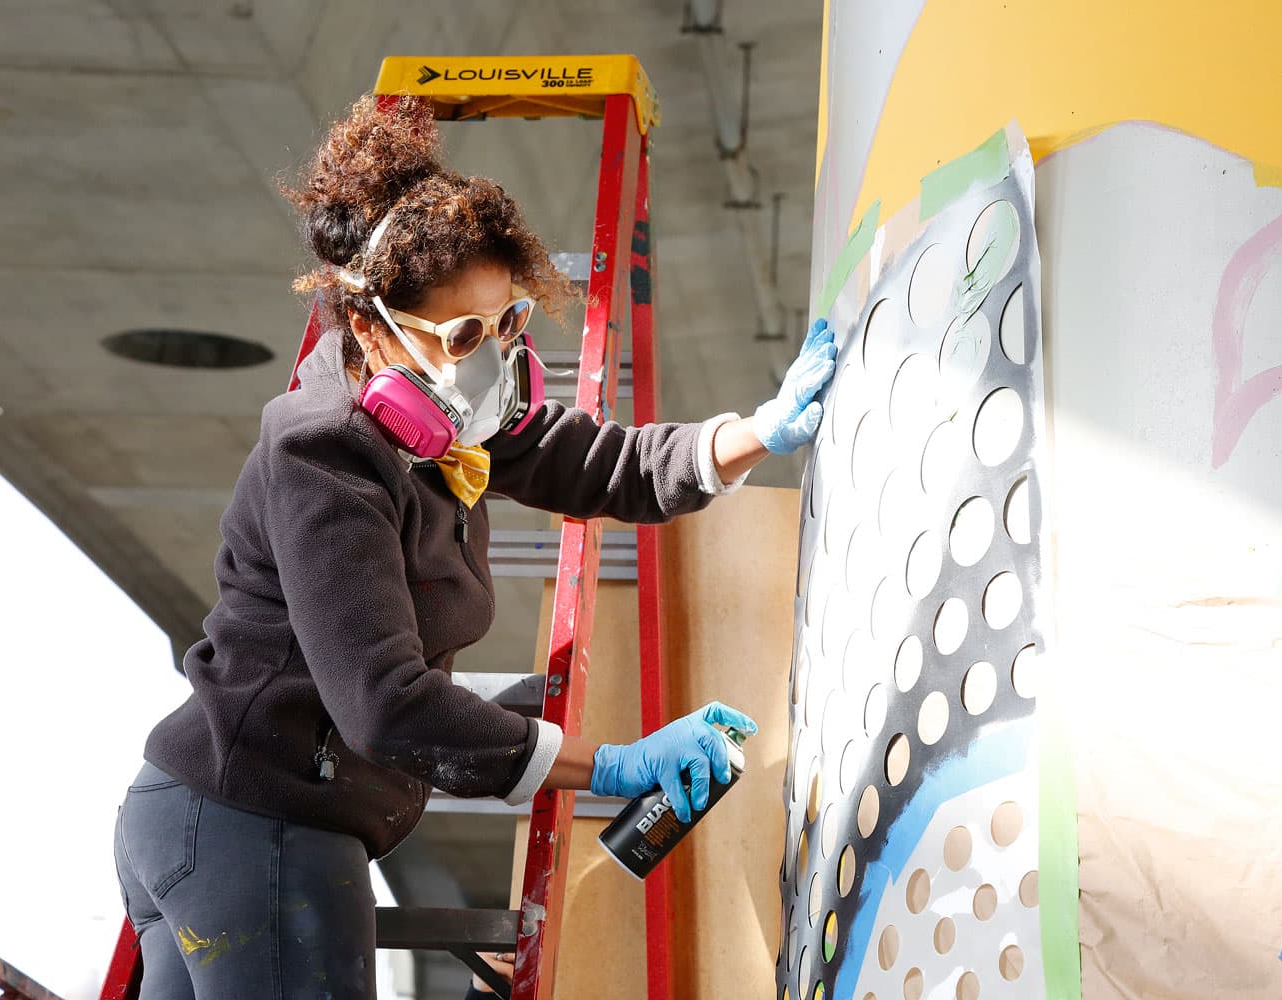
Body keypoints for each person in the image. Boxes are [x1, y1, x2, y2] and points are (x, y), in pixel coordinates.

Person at [111, 94, 836, 999]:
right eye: (463, 335)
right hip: (251, 823)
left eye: (508, 326)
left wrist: (757, 431)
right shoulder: (323, 451)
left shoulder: (449, 429)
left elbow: (603, 466)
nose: (492, 355)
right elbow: (386, 707)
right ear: (372, 328)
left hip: (250, 822)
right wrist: (608, 765)